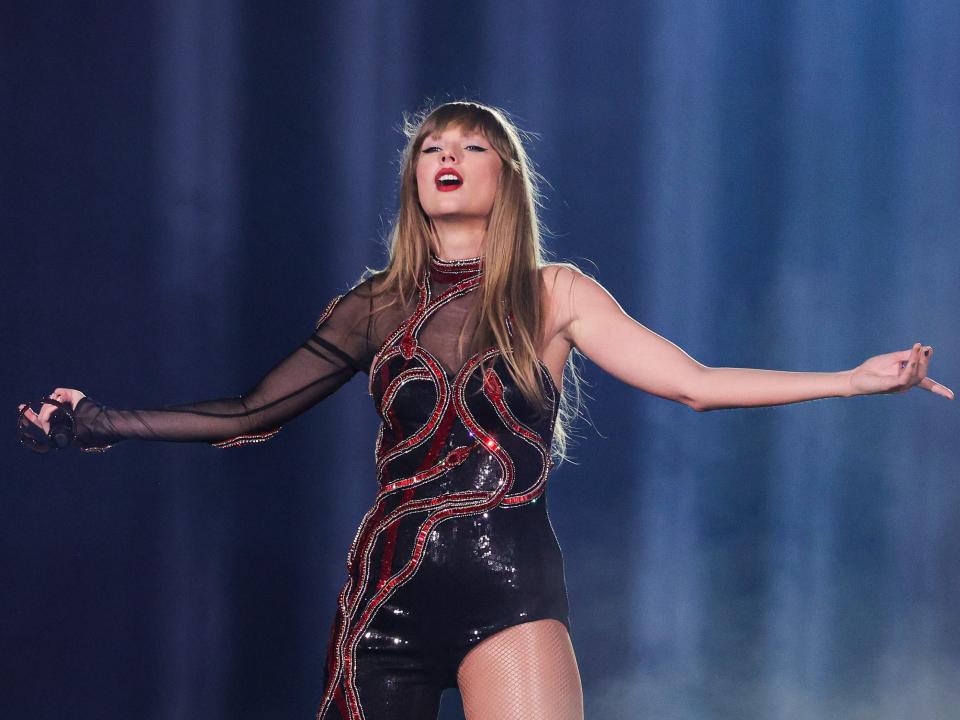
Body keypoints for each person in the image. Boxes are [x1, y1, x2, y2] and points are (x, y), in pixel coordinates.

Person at [18, 100, 954, 720]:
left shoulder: (555, 294)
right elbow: (248, 413)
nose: (447, 158)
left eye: (470, 146)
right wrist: (100, 422)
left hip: (506, 584)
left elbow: (692, 383)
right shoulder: (372, 304)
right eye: (431, 148)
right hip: (383, 591)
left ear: (505, 175)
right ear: (414, 179)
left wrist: (850, 380)